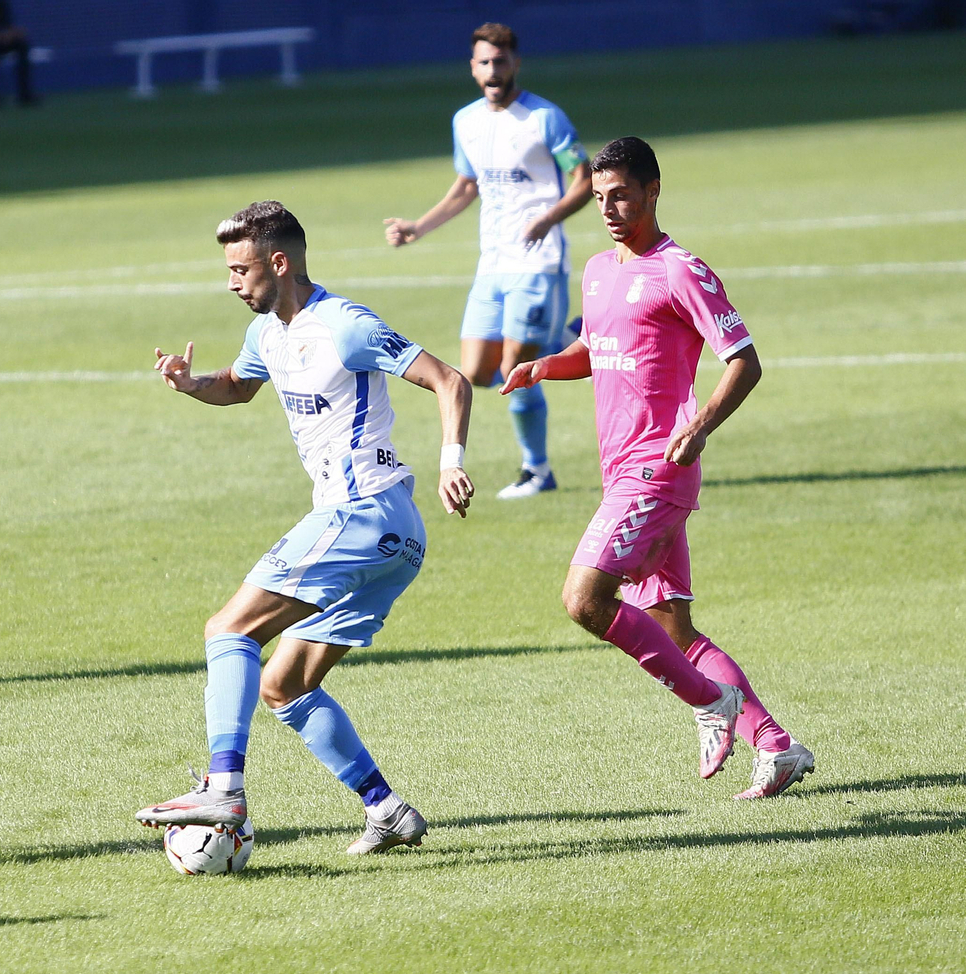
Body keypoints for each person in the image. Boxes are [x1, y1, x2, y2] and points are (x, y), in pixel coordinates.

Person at [136, 201, 475, 853]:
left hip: (364, 511)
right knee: (283, 683)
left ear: (280, 261)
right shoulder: (266, 333)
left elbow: (449, 380)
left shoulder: (344, 325)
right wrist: (190, 383)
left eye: (242, 268)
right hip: (393, 539)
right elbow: (237, 386)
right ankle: (386, 809)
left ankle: (223, 785)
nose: (233, 282)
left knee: (229, 629)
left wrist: (450, 462)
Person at [502, 137, 815, 798]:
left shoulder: (683, 271)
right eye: (599, 197)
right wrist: (545, 366)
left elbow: (744, 361)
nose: (610, 208)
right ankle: (778, 747)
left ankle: (709, 701)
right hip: (621, 472)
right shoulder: (596, 269)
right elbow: (595, 347)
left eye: (621, 195)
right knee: (674, 626)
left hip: (659, 470)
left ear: (652, 191)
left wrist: (699, 427)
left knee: (584, 599)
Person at [384, 22, 591, 500]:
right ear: (473, 68)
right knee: (475, 371)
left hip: (540, 261)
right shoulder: (466, 121)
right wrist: (419, 226)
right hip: (492, 263)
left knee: (516, 367)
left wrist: (547, 218)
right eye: (484, 62)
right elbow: (466, 187)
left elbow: (582, 178)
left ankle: (537, 470)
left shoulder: (545, 118)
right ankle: (571, 336)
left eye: (501, 61)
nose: (493, 70)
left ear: (516, 64)